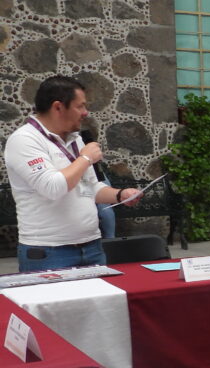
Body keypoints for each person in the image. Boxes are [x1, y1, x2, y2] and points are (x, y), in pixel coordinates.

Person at [3, 76, 142, 272]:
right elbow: (53, 187)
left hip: (92, 246)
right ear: (58, 107)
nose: (86, 112)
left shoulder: (76, 139)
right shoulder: (24, 140)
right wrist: (85, 158)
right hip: (49, 251)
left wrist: (120, 195)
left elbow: (90, 186)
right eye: (80, 106)